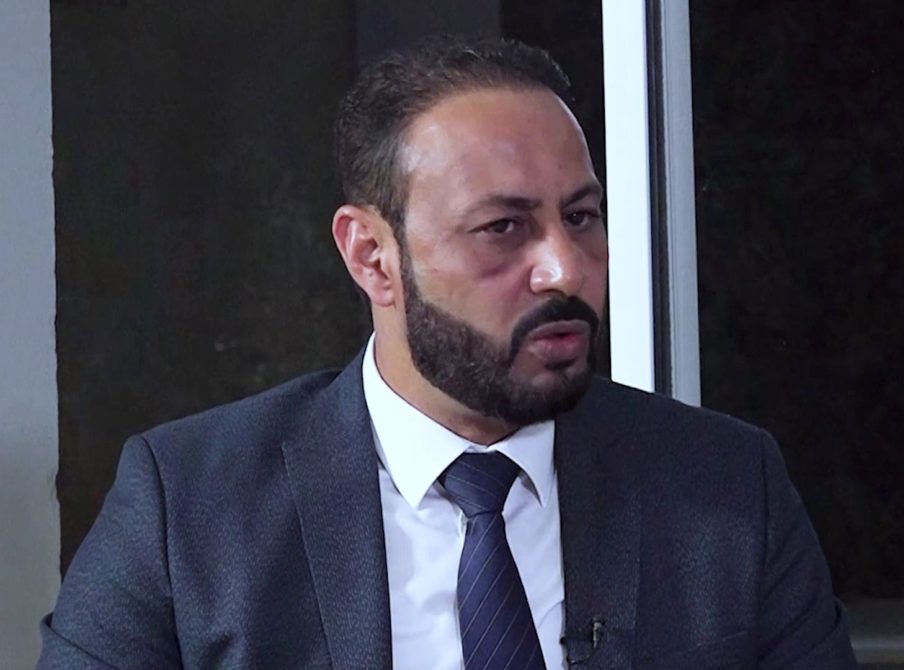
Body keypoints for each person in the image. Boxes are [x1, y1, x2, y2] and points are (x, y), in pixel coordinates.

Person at [39, 37, 856, 669]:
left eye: (581, 217)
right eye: (502, 228)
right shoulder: (190, 508)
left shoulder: (724, 490)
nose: (564, 269)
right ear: (372, 257)